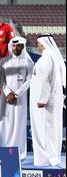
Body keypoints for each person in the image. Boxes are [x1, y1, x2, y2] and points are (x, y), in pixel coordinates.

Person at [0, 37, 34, 160]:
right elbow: (1, 80)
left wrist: (16, 94)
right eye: (14, 46)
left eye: (19, 46)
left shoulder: (28, 62)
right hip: (6, 100)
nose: (16, 48)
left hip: (20, 100)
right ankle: (3, 149)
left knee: (18, 125)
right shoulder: (4, 61)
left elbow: (29, 80)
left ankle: (18, 153)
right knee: (4, 124)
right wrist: (8, 93)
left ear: (23, 47)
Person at [30, 34, 65, 166]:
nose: (37, 46)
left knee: (48, 129)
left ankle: (49, 158)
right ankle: (52, 157)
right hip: (50, 99)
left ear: (43, 44)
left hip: (46, 101)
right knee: (51, 128)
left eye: (38, 44)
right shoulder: (49, 56)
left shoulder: (47, 58)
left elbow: (46, 81)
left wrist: (42, 99)